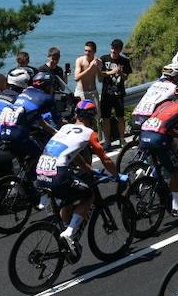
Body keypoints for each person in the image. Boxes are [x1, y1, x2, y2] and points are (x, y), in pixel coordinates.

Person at [34, 100, 120, 258]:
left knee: (69, 197)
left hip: (40, 172)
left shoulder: (65, 127)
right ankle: (69, 233)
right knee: (88, 194)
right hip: (58, 174)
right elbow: (105, 159)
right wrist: (117, 176)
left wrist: (89, 170)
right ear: (92, 117)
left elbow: (74, 156)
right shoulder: (89, 133)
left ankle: (66, 233)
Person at [100, 39, 134, 147]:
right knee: (106, 118)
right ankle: (107, 141)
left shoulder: (124, 61)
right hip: (106, 93)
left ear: (120, 49)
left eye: (116, 48)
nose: (113, 50)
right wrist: (112, 72)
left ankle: (122, 139)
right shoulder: (104, 59)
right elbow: (100, 75)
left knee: (120, 117)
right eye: (112, 47)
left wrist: (120, 72)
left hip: (119, 93)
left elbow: (125, 78)